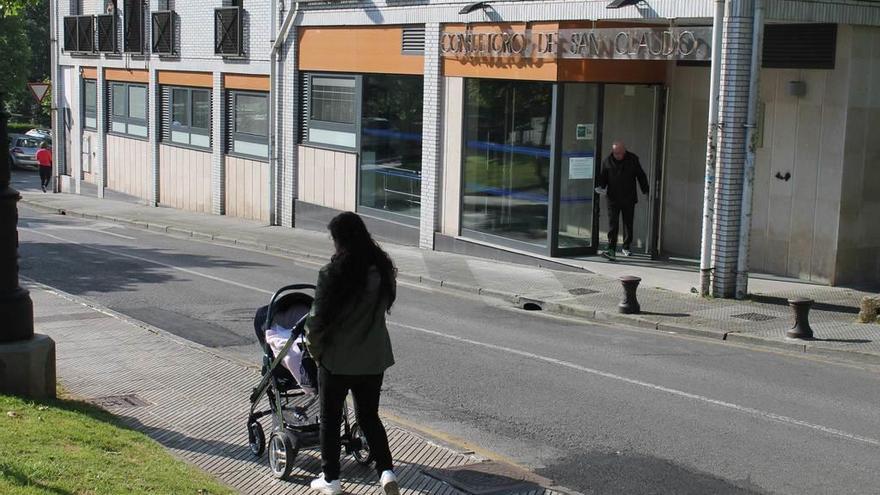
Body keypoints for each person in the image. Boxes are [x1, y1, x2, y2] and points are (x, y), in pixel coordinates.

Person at [304, 211, 400, 495]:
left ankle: (331, 479)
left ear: (340, 241)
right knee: (369, 416)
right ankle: (386, 471)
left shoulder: (331, 274)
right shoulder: (382, 271)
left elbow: (316, 320)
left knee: (331, 418)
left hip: (336, 359)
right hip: (373, 358)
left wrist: (315, 352)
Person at [596, 141, 649, 261]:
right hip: (613, 198)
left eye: (619, 153)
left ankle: (626, 247)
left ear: (624, 151)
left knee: (628, 223)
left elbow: (641, 175)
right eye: (615, 153)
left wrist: (645, 190)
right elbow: (603, 177)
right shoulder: (607, 161)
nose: (617, 155)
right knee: (613, 225)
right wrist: (600, 187)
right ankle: (611, 249)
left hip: (629, 197)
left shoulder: (633, 159)